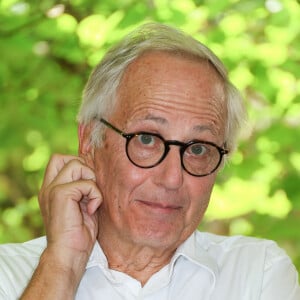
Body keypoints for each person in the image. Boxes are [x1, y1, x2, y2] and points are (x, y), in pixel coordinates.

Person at [0, 22, 299, 300]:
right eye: (146, 139)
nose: (171, 179)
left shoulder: (257, 274)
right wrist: (61, 267)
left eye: (197, 149)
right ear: (90, 141)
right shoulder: (10, 275)